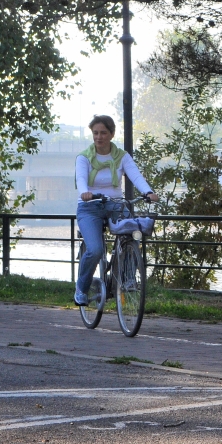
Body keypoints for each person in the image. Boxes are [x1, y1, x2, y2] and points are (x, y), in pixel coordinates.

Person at [74, 114, 158, 306]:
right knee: (95, 249)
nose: (99, 137)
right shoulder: (84, 157)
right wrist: (85, 192)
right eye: (95, 133)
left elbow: (135, 176)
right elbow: (80, 179)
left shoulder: (121, 156)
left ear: (111, 134)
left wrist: (148, 192)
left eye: (103, 133)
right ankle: (81, 288)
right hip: (89, 207)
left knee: (132, 236)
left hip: (115, 205)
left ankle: (128, 279)